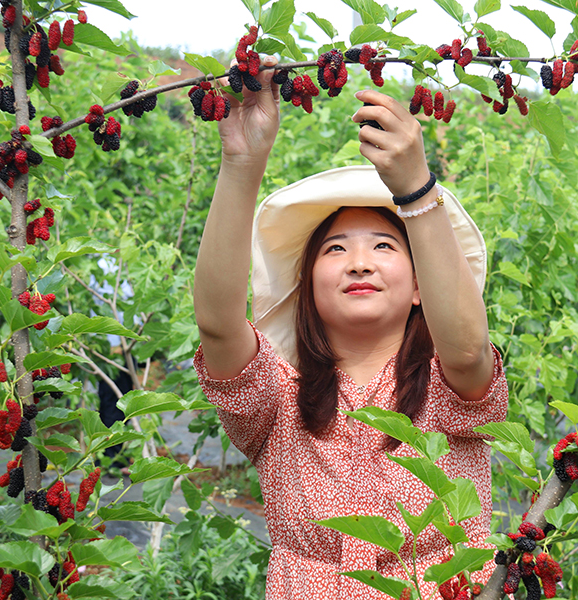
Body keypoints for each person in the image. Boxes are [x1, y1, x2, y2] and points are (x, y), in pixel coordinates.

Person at [192, 54, 509, 600]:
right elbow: (219, 325)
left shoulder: (446, 389)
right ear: (308, 290)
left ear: (419, 288)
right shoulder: (278, 401)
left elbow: (467, 346)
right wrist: (242, 162)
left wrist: (416, 190)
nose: (359, 263)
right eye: (335, 250)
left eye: (384, 247)